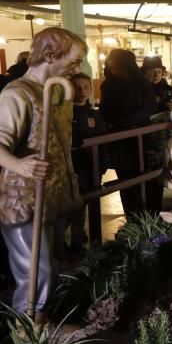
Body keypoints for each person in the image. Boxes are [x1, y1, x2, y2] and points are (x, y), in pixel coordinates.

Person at [0, 28, 86, 320]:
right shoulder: (17, 93)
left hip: (53, 195)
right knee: (35, 269)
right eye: (74, 61)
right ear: (50, 55)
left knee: (51, 263)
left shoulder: (57, 93)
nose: (77, 69)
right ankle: (28, 329)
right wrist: (19, 164)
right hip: (24, 198)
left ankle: (42, 321)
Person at [99, 49, 163, 215]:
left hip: (142, 139)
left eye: (117, 67)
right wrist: (120, 122)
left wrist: (129, 120)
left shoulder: (142, 83)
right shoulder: (109, 85)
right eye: (111, 67)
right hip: (121, 141)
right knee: (126, 182)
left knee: (148, 180)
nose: (114, 71)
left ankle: (150, 219)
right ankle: (133, 221)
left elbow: (150, 106)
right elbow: (106, 110)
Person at [68, 72, 106, 253]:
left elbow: (102, 139)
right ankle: (67, 242)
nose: (82, 91)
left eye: (85, 87)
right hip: (70, 166)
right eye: (76, 87)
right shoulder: (63, 114)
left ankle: (79, 238)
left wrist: (102, 164)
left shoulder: (94, 115)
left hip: (90, 166)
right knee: (72, 203)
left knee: (86, 200)